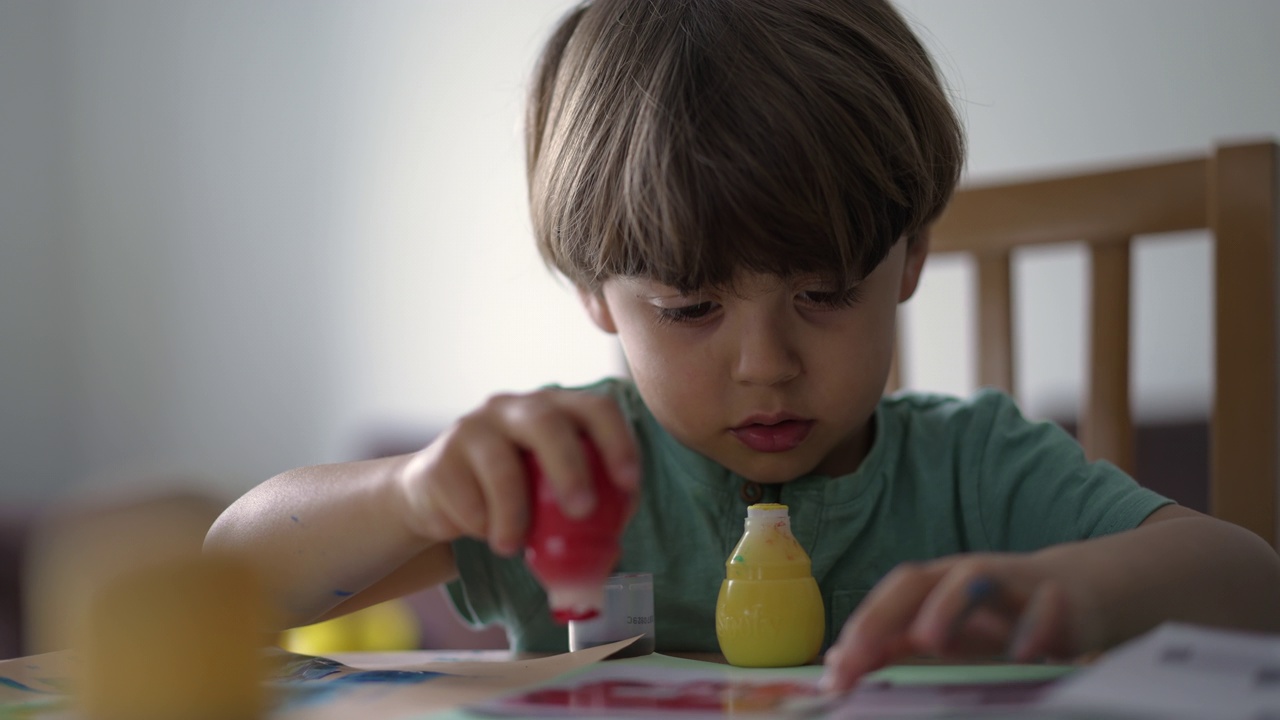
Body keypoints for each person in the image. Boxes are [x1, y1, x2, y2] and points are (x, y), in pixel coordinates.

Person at [205, 0, 1280, 692]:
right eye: (688, 309)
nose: (764, 364)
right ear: (596, 295)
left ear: (905, 261)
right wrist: (407, 494)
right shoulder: (565, 475)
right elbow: (225, 582)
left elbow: (1246, 577)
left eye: (822, 294)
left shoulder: (973, 469)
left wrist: (1074, 594)